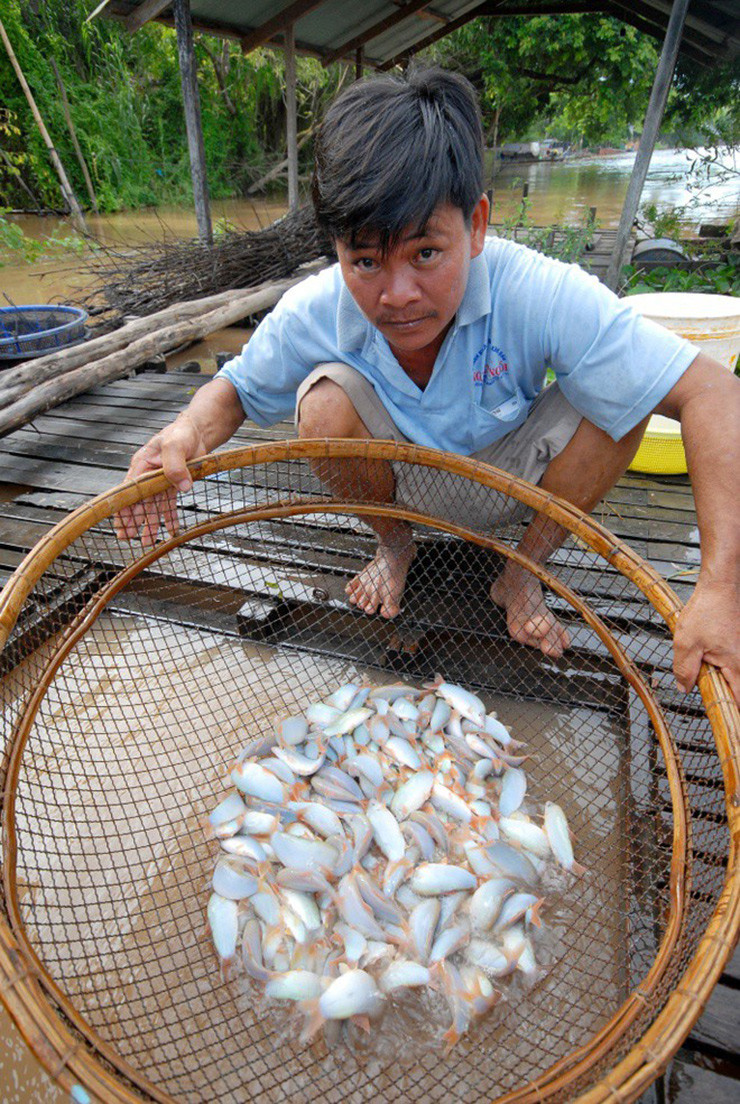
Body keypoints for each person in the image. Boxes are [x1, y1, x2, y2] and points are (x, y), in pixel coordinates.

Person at [116, 68, 739, 702]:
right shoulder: (315, 308)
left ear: (476, 225)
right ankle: (394, 548)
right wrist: (185, 431)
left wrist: (719, 586)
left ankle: (522, 573)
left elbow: (714, 393)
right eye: (365, 260)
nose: (397, 295)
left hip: (517, 478)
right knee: (322, 404)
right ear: (337, 251)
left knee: (623, 402)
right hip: (398, 480)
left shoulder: (539, 289)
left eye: (425, 254)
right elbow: (234, 392)